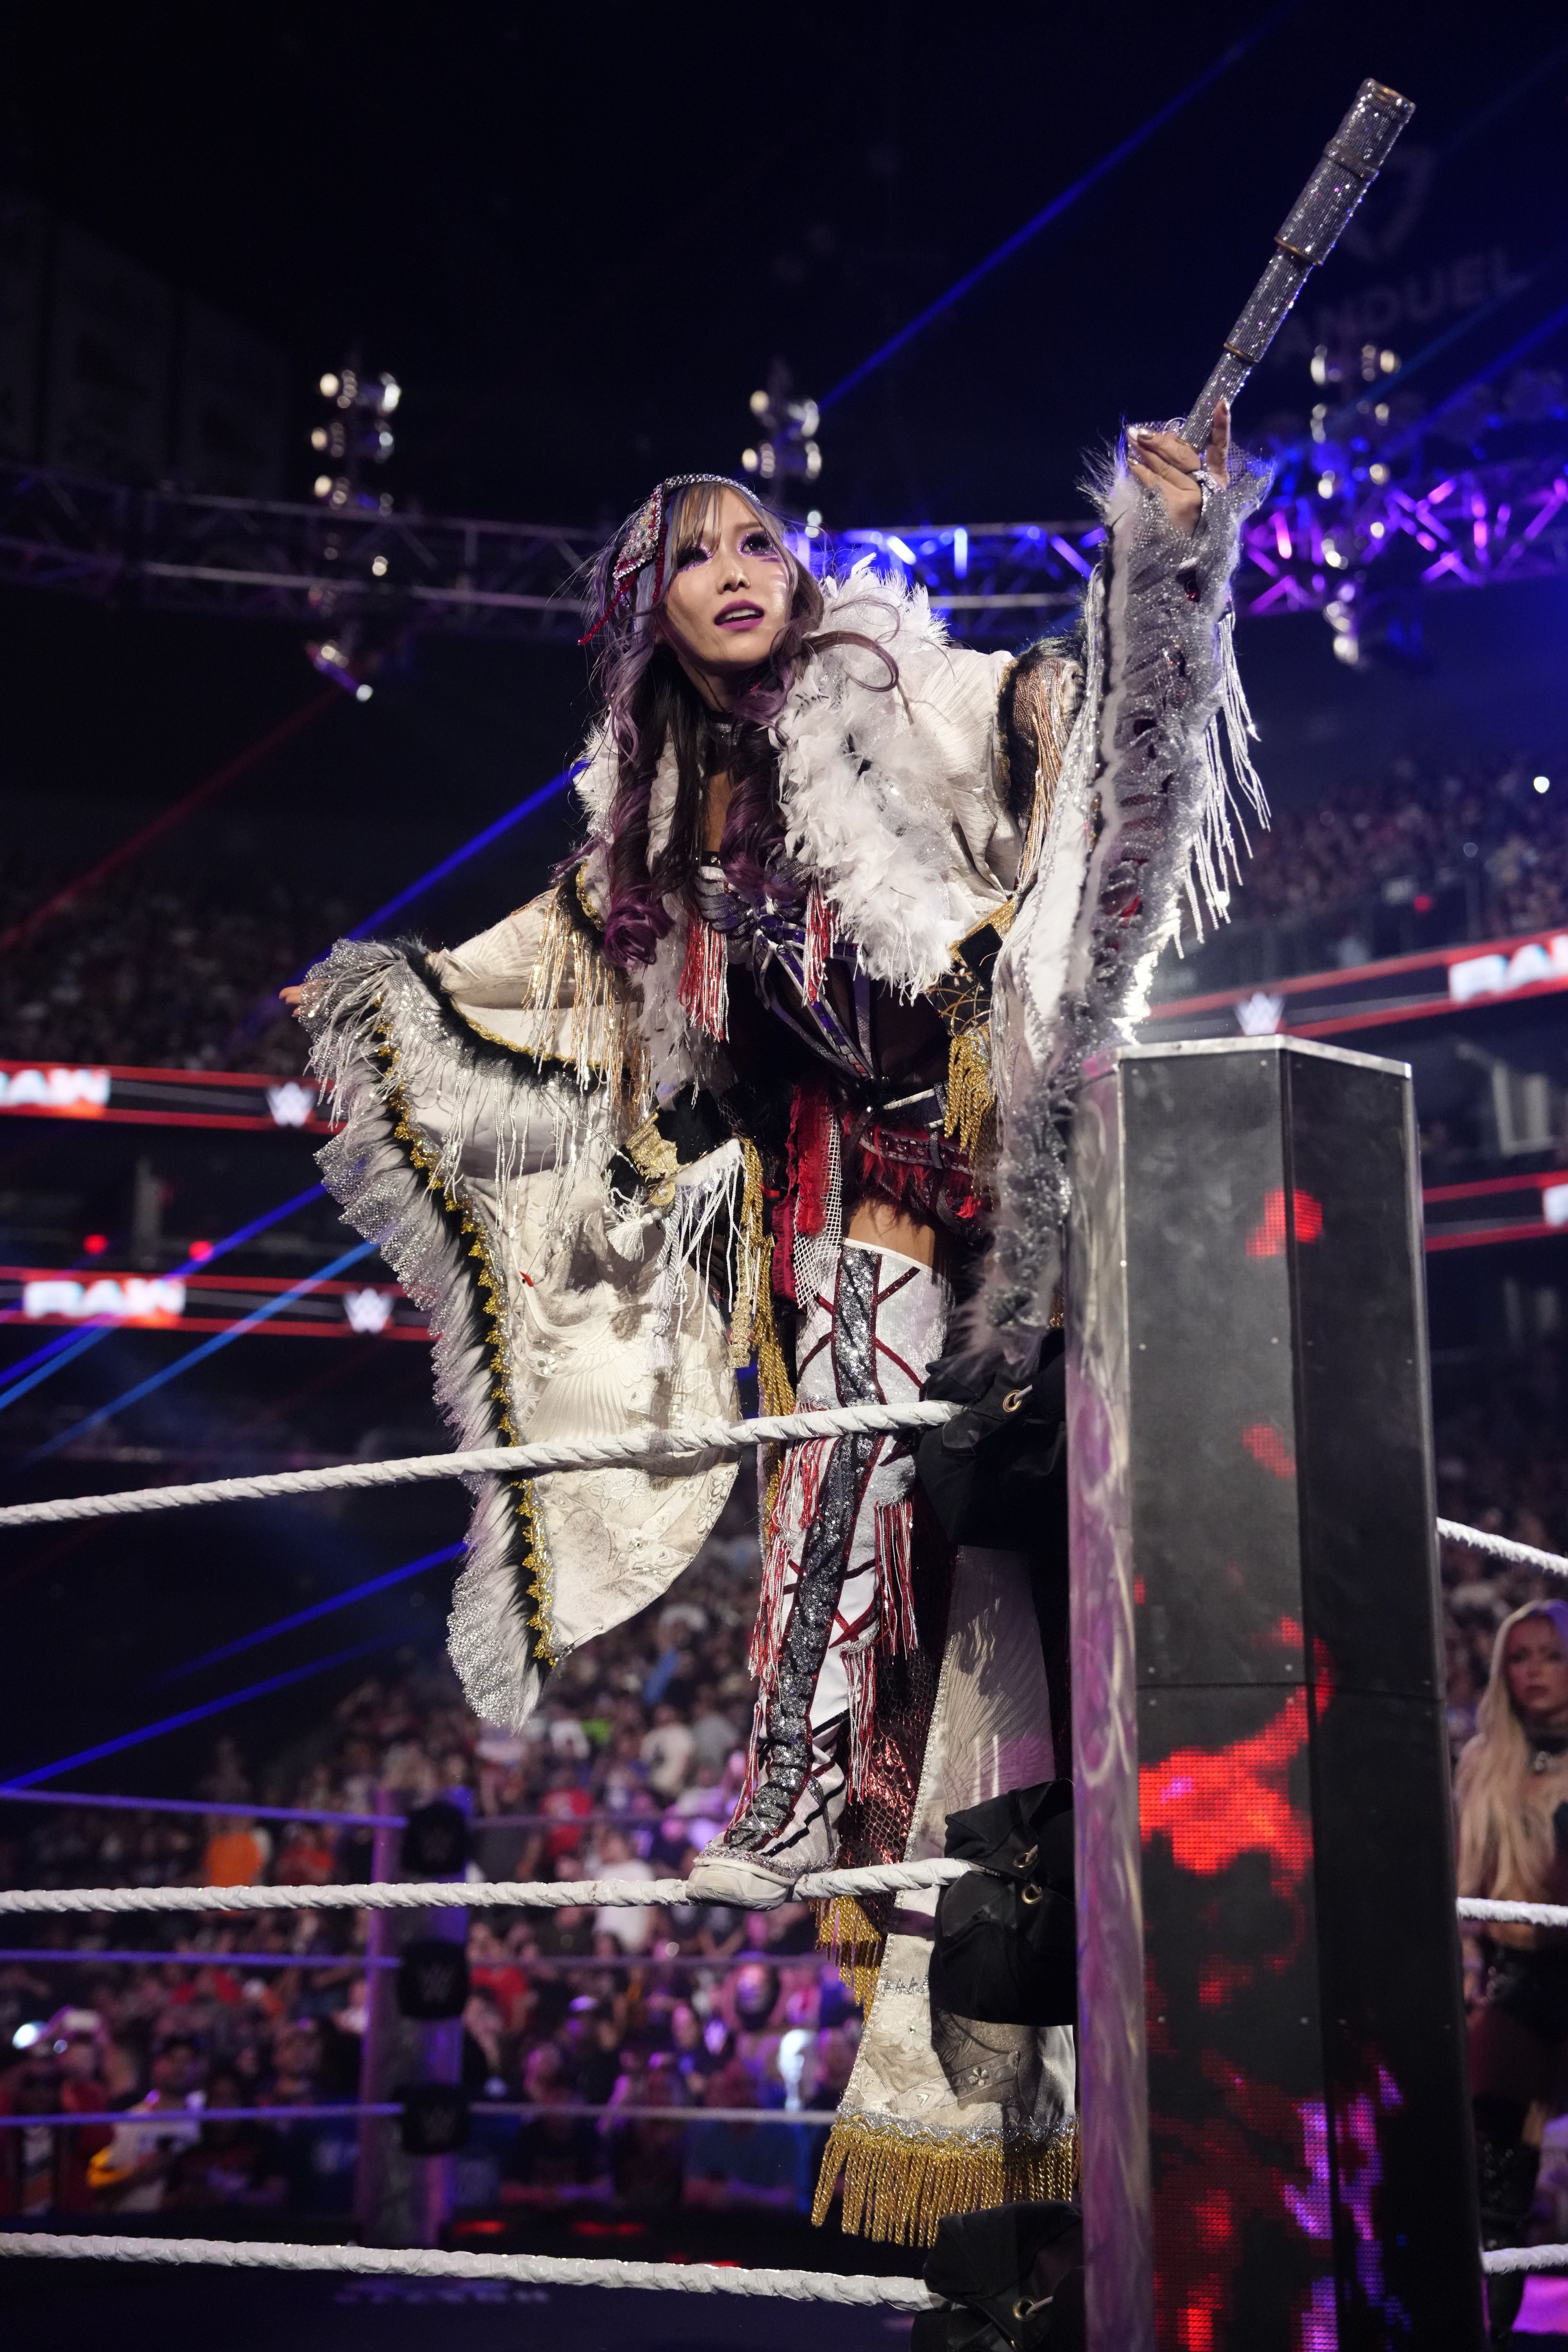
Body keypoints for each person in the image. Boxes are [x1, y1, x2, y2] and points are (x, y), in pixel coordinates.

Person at [289, 411, 1266, 2236]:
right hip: (834, 1199)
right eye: (694, 554)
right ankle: (814, 1799)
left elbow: (1071, 737)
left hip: (1002, 1154)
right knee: (855, 1484)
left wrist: (1162, 553)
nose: (737, 572)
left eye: (756, 540)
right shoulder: (652, 828)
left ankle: (1119, 1950)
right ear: (646, 611)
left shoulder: (889, 679)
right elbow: (562, 997)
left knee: (1032, 1558)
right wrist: (390, 1002)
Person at [1457, 1599, 1568, 2342]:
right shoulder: (1484, 1760)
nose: (1534, 1673)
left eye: (1551, 1655)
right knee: (1496, 2189)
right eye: (1519, 1658)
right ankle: (1486, 2336)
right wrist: (1470, 1965)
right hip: (1516, 1978)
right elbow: (1464, 1887)